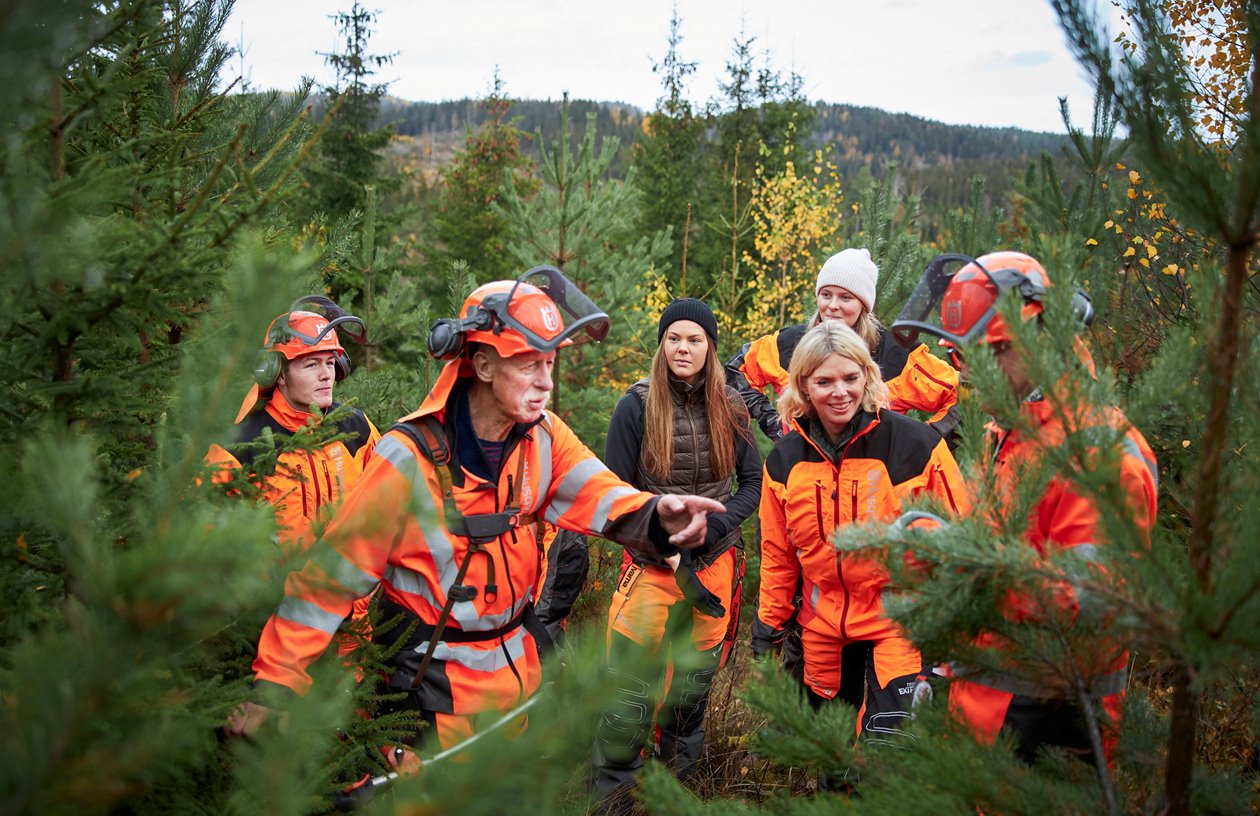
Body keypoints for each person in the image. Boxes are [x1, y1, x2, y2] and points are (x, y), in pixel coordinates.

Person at [225, 268, 725, 759]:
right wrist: (276, 685)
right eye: (529, 363)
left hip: (516, 693)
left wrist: (660, 515)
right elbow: (328, 580)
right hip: (428, 705)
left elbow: (600, 492)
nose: (545, 382)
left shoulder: (542, 436)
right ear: (483, 365)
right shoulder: (409, 458)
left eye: (549, 364)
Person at [890, 250, 1158, 766]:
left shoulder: (1097, 452)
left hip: (1050, 728)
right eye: (959, 359)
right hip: (985, 715)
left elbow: (1092, 598)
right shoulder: (1011, 433)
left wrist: (962, 569)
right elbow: (1008, 551)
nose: (966, 375)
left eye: (983, 358)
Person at [751, 321, 969, 756]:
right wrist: (768, 626)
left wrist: (957, 628)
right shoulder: (785, 459)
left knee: (889, 751)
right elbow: (779, 554)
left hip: (899, 619)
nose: (840, 392)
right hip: (824, 626)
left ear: (868, 376)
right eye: (824, 381)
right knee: (833, 755)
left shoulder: (915, 445)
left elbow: (960, 541)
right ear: (803, 386)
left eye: (851, 378)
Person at [591, 298, 762, 802]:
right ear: (662, 343)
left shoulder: (731, 405)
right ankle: (615, 796)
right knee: (629, 690)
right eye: (674, 338)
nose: (683, 348)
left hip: (714, 567)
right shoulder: (636, 406)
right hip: (650, 569)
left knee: (692, 687)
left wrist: (715, 529)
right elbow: (614, 496)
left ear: (710, 347)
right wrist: (664, 545)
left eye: (695, 340)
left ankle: (679, 790)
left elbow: (751, 482)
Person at [726, 247, 959, 443]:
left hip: (873, 483)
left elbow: (965, 398)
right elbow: (735, 372)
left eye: (845, 297)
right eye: (826, 295)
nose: (833, 306)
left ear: (863, 305)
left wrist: (925, 443)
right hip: (801, 479)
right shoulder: (788, 344)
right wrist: (772, 422)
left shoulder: (896, 353)